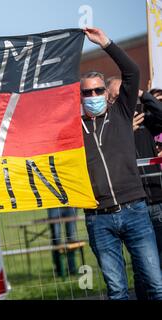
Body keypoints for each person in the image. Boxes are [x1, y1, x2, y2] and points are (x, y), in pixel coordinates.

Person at [80, 27, 162, 300]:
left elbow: (131, 72)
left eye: (97, 91)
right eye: (87, 93)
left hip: (135, 211)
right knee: (117, 292)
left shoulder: (121, 111)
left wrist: (105, 43)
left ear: (106, 93)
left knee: (155, 284)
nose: (92, 97)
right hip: (98, 219)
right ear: (80, 97)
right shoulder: (75, 128)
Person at [106, 81, 162, 299]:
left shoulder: (143, 115)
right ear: (109, 99)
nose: (122, 97)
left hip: (157, 199)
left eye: (126, 92)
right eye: (117, 95)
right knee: (143, 269)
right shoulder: (106, 125)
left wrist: (141, 94)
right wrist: (123, 133)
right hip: (132, 205)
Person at [47, 207, 78, 277]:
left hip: (70, 203)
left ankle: (72, 269)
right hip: (53, 204)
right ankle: (59, 270)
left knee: (71, 238)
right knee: (56, 239)